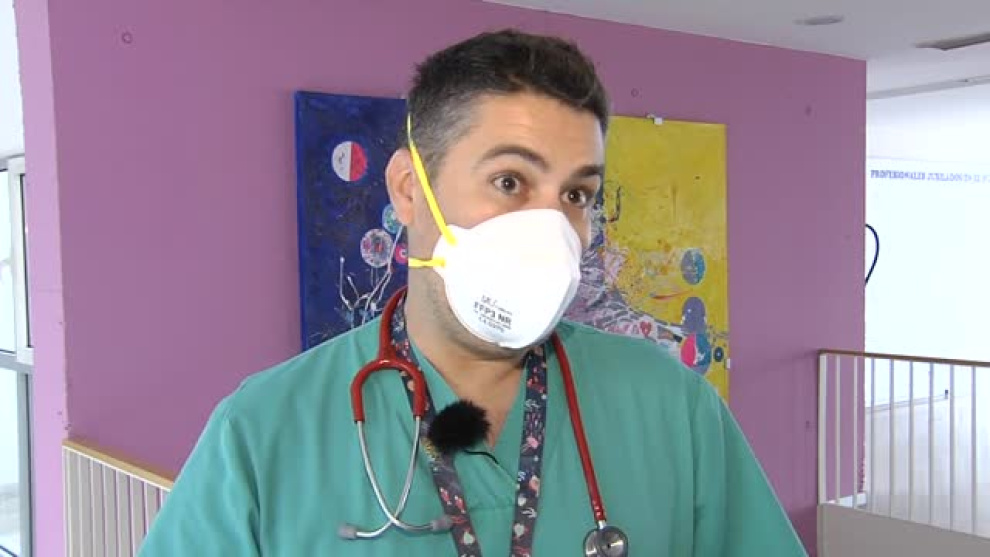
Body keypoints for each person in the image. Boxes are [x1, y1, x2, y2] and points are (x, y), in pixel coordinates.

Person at [139, 29, 807, 556]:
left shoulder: (673, 410)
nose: (550, 228)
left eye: (577, 194)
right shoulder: (263, 434)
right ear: (408, 190)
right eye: (510, 182)